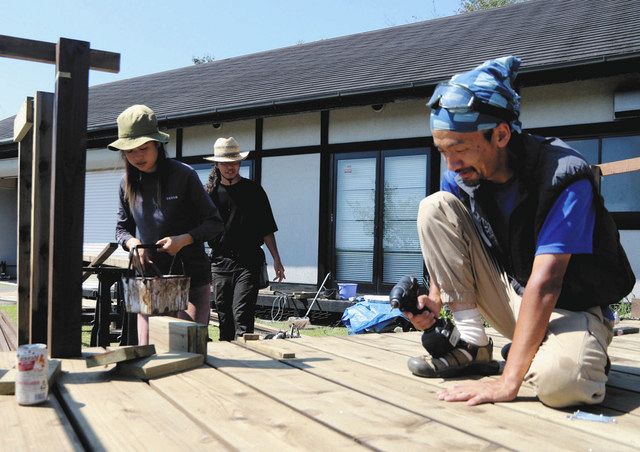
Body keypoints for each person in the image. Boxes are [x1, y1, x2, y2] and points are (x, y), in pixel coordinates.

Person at [403, 56, 635, 408]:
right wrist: (434, 299)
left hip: (571, 307)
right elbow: (449, 231)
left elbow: (547, 283)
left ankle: (568, 351)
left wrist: (507, 383)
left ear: (500, 134)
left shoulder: (564, 175)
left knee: (563, 386)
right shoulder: (462, 177)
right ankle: (473, 343)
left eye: (459, 149)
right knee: (433, 206)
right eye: (443, 151)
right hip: (513, 292)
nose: (451, 164)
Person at [110, 105, 223, 345]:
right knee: (149, 349)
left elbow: (214, 223)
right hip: (150, 279)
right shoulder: (126, 182)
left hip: (191, 274)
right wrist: (133, 243)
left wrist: (184, 239)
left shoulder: (184, 175)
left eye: (143, 149)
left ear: (157, 145)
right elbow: (122, 229)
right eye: (130, 152)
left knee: (188, 347)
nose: (138, 156)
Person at [204, 137, 285, 341]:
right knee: (224, 317)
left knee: (242, 315)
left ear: (240, 163)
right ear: (217, 164)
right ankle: (226, 365)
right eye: (225, 163)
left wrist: (276, 258)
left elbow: (267, 228)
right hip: (220, 263)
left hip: (248, 261)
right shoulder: (209, 194)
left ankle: (248, 360)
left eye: (234, 162)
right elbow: (198, 229)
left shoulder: (254, 191)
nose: (230, 167)